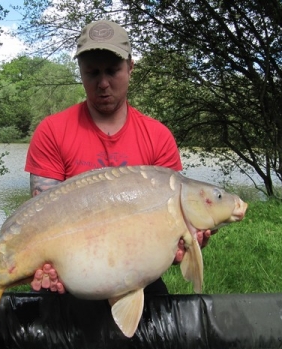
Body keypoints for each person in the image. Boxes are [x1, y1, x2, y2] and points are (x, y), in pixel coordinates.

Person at [25, 19, 212, 295]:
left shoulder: (158, 137)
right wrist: (44, 264)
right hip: (73, 277)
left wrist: (186, 242)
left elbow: (172, 239)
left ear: (130, 67)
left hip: (140, 276)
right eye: (92, 72)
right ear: (80, 72)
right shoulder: (52, 131)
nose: (103, 83)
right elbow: (42, 219)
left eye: (113, 71)